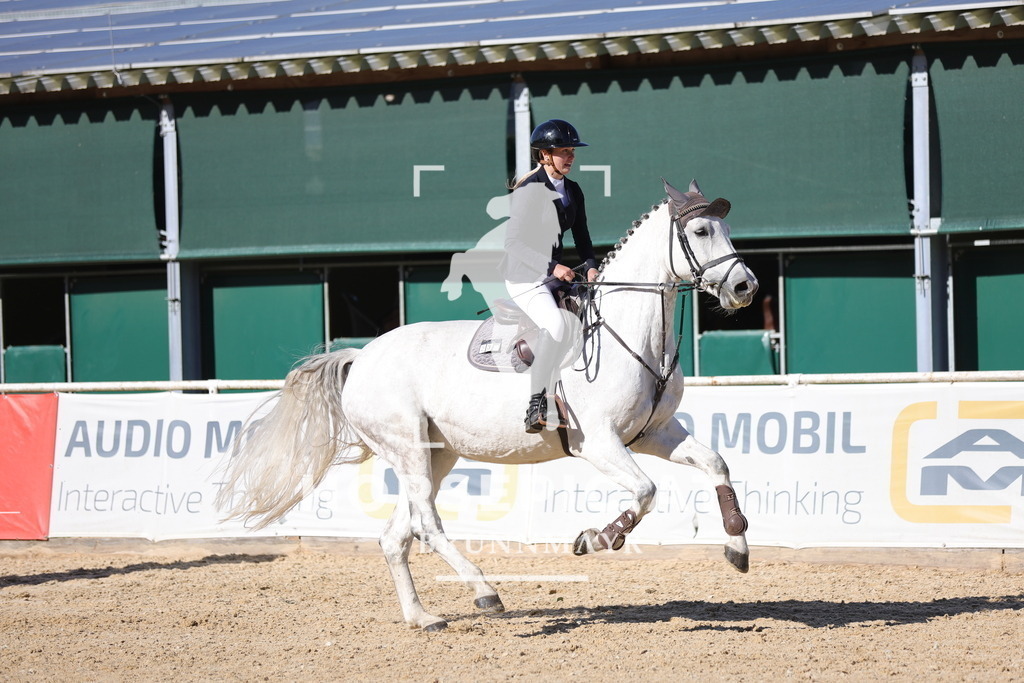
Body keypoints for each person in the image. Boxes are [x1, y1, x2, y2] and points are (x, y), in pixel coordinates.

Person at [501, 119, 600, 433]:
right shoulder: (530, 191)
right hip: (524, 276)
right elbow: (512, 243)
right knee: (556, 324)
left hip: (551, 275)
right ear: (544, 154)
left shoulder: (573, 190)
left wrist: (592, 264)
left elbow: (582, 236)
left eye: (572, 151)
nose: (570, 157)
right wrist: (552, 267)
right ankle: (536, 404)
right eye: (563, 152)